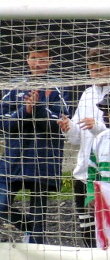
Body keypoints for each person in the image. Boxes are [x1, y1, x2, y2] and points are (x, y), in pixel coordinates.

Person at [57, 45, 110, 246]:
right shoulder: (87, 94)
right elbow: (78, 139)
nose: (95, 74)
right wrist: (68, 128)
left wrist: (98, 127)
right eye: (92, 70)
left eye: (100, 69)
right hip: (84, 174)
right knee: (87, 232)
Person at [0, 38, 68, 243]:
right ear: (27, 59)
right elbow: (4, 122)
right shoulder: (15, 86)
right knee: (2, 206)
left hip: (43, 161)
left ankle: (34, 236)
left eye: (42, 59)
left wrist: (37, 109)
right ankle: (27, 226)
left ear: (51, 61)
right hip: (14, 160)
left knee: (39, 220)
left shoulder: (58, 88)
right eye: (34, 58)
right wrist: (25, 111)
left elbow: (59, 124)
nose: (37, 64)